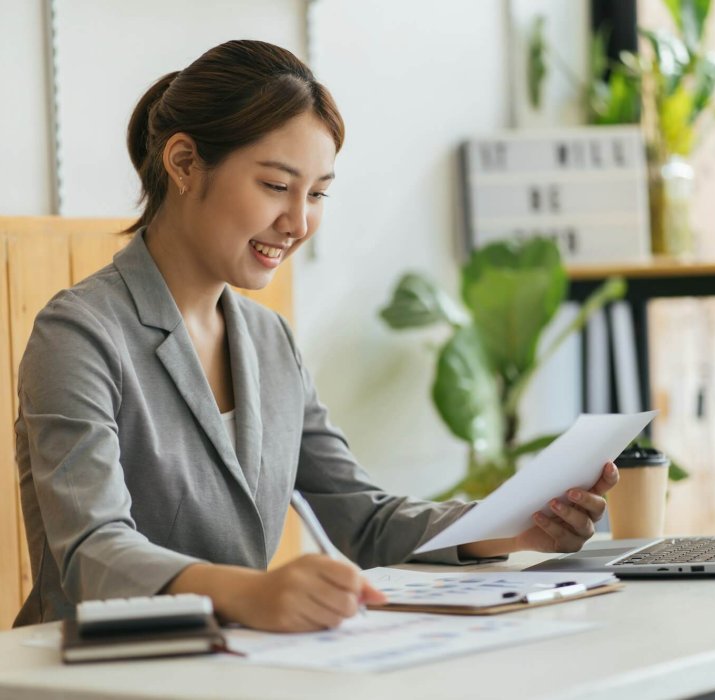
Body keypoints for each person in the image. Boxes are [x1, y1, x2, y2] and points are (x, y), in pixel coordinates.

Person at [14, 40, 618, 633]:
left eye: (318, 193)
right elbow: (93, 552)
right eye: (276, 186)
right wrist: (251, 592)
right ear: (184, 163)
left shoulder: (268, 339)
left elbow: (362, 519)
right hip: (95, 670)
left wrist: (513, 525)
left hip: (232, 667)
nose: (299, 222)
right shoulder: (80, 332)